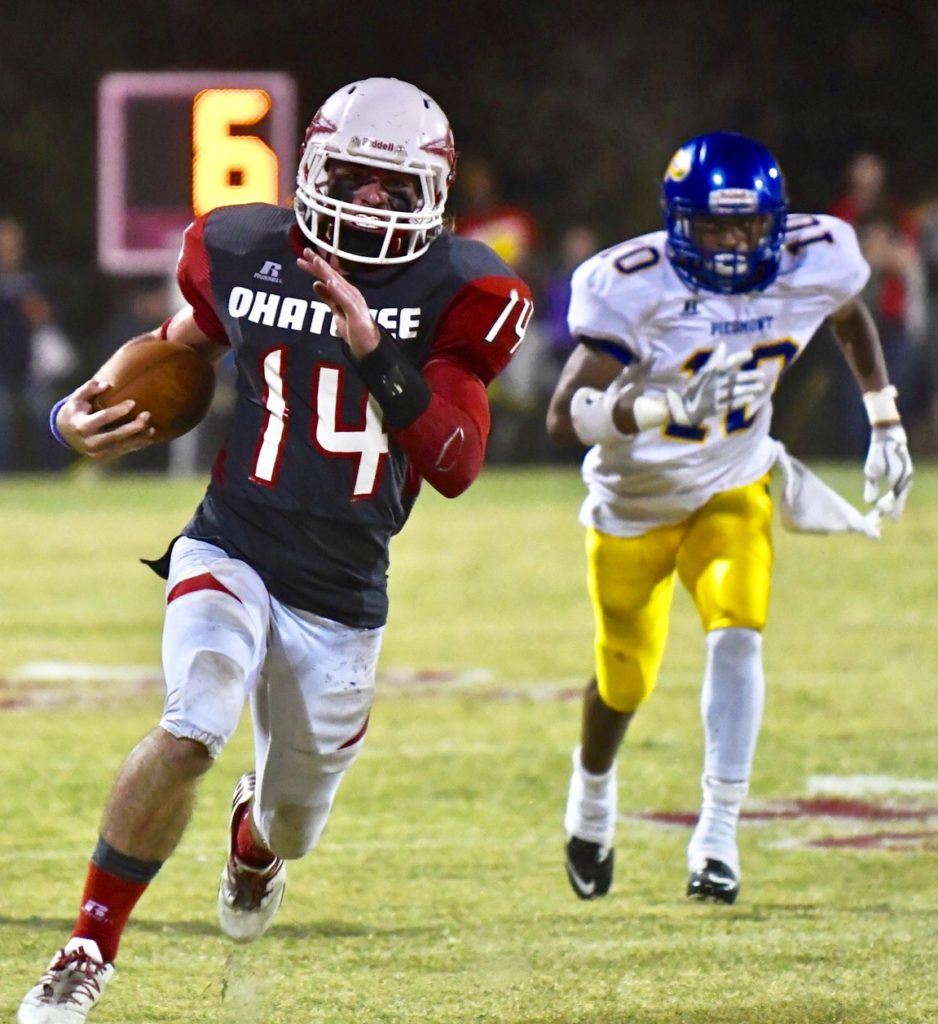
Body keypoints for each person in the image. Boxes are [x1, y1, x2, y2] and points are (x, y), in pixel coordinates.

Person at [19, 77, 532, 1023]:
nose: (367, 200)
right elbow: (176, 344)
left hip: (343, 589)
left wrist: (375, 349)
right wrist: (69, 415)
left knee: (293, 823)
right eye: (350, 175)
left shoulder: (461, 289)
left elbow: (455, 463)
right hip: (234, 542)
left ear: (433, 196)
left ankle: (252, 845)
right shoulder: (248, 250)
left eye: (391, 185)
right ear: (311, 171)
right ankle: (87, 947)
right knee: (193, 721)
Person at [546, 132, 912, 906]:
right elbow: (563, 415)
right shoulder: (631, 282)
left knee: (739, 634)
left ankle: (717, 833)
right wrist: (660, 405)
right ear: (680, 223)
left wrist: (885, 420)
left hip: (731, 486)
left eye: (748, 227)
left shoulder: (818, 255)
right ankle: (592, 792)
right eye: (715, 227)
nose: (736, 243)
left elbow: (850, 315)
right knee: (624, 676)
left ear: (773, 222)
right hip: (634, 504)